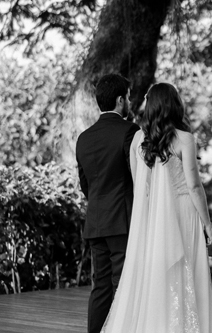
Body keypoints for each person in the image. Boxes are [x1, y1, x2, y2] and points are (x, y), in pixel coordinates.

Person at [100, 83, 212, 333]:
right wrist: (208, 226)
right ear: (174, 104)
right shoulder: (185, 139)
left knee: (160, 273)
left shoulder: (137, 140)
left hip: (155, 218)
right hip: (185, 212)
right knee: (188, 272)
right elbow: (195, 187)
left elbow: (140, 186)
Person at [76, 74, 140, 333]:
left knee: (100, 287)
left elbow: (85, 185)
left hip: (96, 222)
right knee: (125, 285)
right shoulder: (130, 132)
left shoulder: (84, 138)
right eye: (128, 97)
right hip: (123, 222)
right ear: (120, 99)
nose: (130, 101)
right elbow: (138, 177)